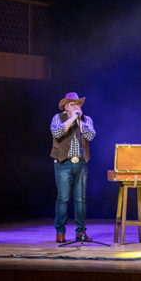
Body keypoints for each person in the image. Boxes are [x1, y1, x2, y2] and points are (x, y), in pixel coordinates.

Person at [50, 92, 96, 243]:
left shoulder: (86, 119)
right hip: (63, 164)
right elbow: (57, 133)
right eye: (72, 104)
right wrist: (72, 119)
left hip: (81, 164)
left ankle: (80, 232)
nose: (76, 107)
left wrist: (79, 120)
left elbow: (91, 136)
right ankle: (60, 232)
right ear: (66, 107)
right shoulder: (58, 118)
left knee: (80, 200)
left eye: (78, 104)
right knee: (63, 199)